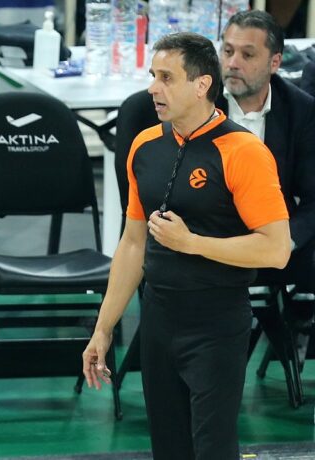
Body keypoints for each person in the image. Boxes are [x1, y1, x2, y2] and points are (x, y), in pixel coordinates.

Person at [82, 33, 290, 459]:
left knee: (212, 448)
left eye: (166, 78)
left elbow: (276, 249)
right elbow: (133, 244)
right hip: (158, 318)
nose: (152, 88)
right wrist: (103, 328)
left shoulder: (243, 152)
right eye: (152, 76)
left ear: (201, 85)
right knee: (169, 448)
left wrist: (192, 243)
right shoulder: (144, 146)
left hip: (216, 322)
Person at [217, 10, 315, 321]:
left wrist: (285, 242)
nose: (233, 63)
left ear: (275, 62)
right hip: (206, 239)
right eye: (227, 51)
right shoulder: (198, 102)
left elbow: (313, 198)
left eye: (247, 55)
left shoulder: (301, 110)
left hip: (273, 240)